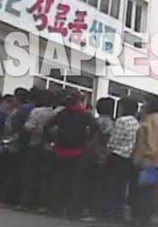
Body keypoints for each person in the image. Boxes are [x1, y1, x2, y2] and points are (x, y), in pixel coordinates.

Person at [44, 90, 98, 219]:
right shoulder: (86, 116)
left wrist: (52, 140)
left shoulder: (62, 114)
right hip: (78, 152)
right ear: (80, 101)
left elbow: (46, 126)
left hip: (61, 151)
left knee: (59, 181)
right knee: (75, 183)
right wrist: (88, 141)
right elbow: (96, 129)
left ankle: (56, 209)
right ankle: (72, 212)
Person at [131, 94, 158, 226]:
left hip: (149, 160)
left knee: (145, 192)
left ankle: (143, 219)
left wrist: (146, 156)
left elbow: (153, 142)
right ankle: (142, 218)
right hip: (148, 159)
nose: (142, 105)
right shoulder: (150, 118)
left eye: (144, 102)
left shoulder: (154, 119)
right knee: (144, 191)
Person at [105, 96, 140, 221]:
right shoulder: (137, 123)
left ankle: (109, 213)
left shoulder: (121, 121)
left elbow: (113, 141)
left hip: (117, 156)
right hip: (128, 158)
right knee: (121, 187)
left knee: (111, 186)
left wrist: (108, 151)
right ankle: (118, 213)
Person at [20, 89, 56, 210]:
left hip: (34, 143)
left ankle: (26, 202)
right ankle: (42, 204)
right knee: (45, 176)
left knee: (30, 174)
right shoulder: (54, 113)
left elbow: (28, 127)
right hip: (49, 147)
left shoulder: (36, 112)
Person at [82, 97, 115, 220]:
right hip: (105, 156)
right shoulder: (113, 122)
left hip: (93, 155)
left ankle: (92, 211)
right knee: (102, 186)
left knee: (92, 185)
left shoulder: (95, 121)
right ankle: (99, 212)